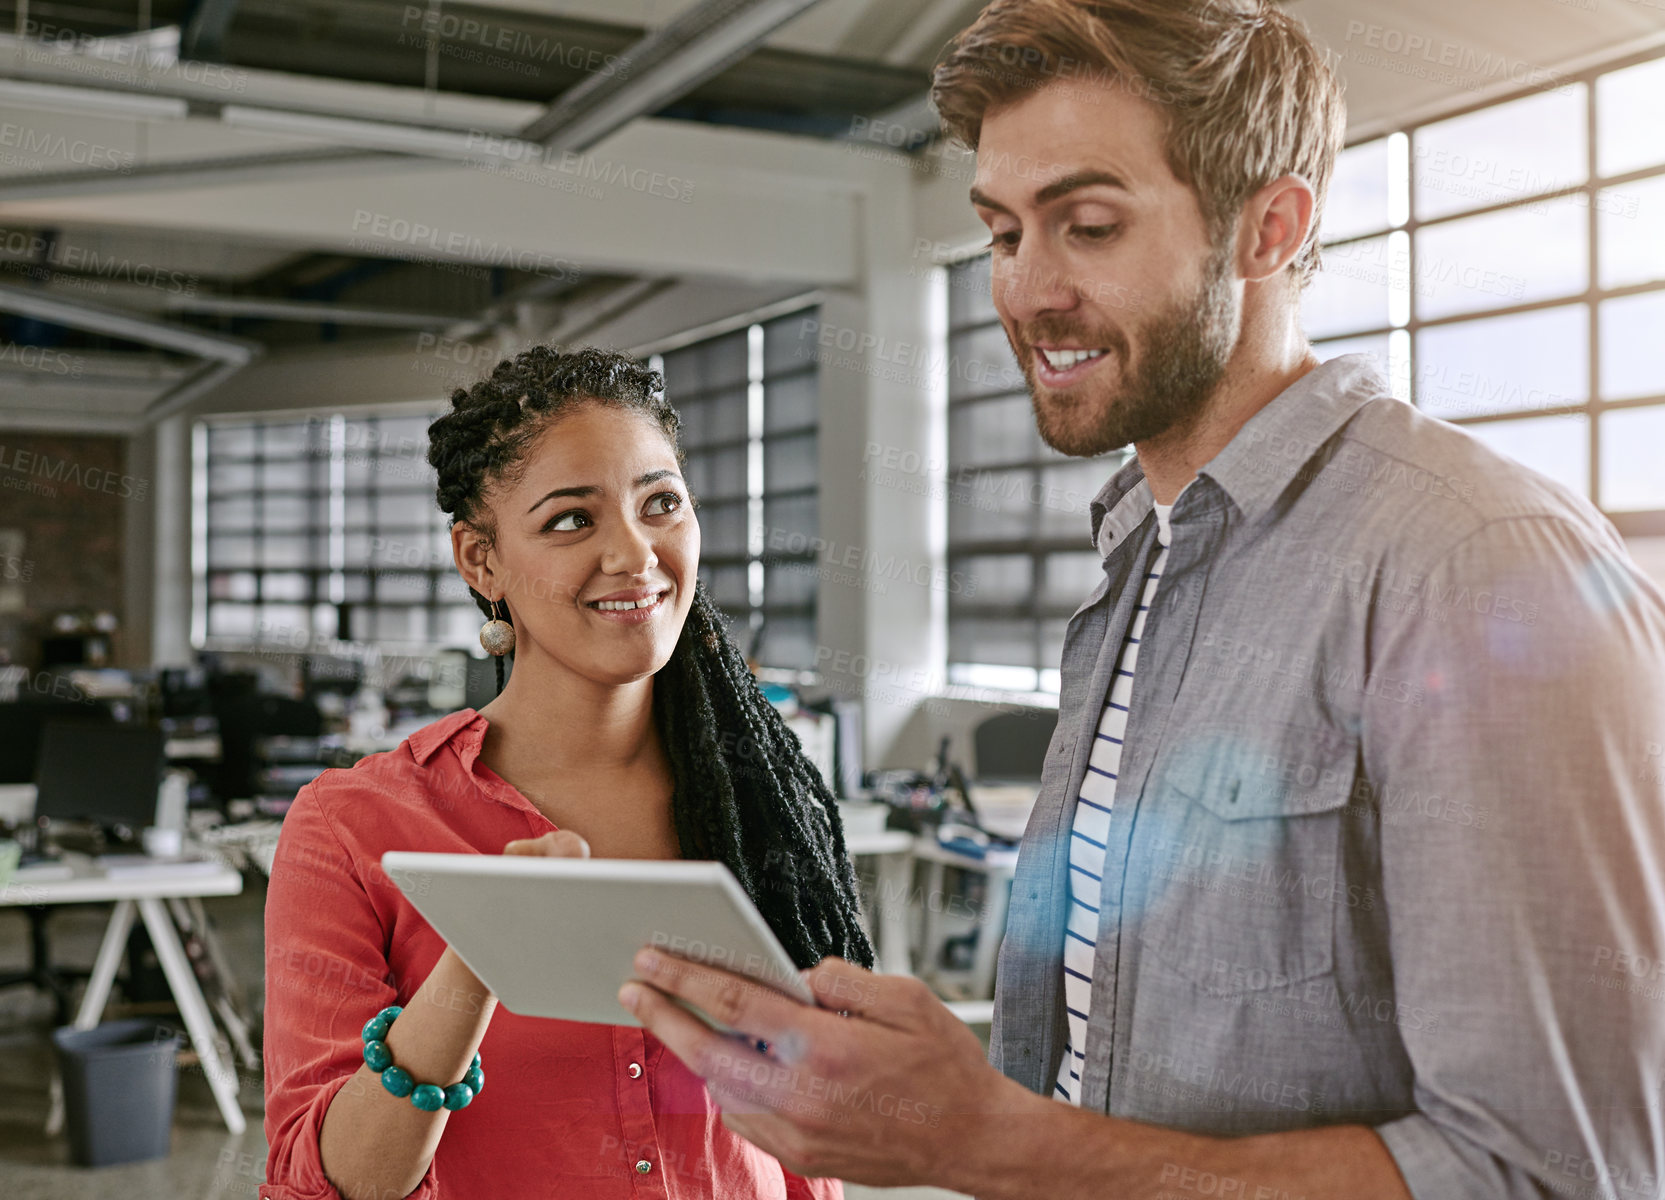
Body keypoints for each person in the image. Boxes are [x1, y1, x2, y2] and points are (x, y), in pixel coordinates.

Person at [624, 2, 1665, 1197]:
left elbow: (1555, 1172)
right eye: (1005, 233)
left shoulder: (1474, 564)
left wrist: (984, 1142)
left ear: (1268, 229)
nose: (1024, 291)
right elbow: (1103, 1086)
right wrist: (923, 1091)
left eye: (1090, 227)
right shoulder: (1142, 559)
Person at [261, 347, 873, 1200]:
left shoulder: (760, 803)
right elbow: (332, 1182)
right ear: (480, 561)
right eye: (569, 521)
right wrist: (483, 948)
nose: (634, 554)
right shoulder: (351, 826)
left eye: (660, 503)